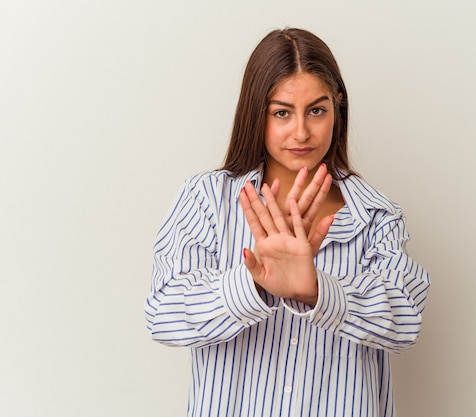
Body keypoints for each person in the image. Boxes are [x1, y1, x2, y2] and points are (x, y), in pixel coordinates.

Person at [145, 27, 430, 417]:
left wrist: (317, 291)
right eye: (282, 112)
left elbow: (404, 321)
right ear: (256, 114)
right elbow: (163, 312)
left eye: (317, 110)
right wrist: (252, 284)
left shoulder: (376, 216)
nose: (301, 132)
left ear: (337, 109)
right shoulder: (208, 199)